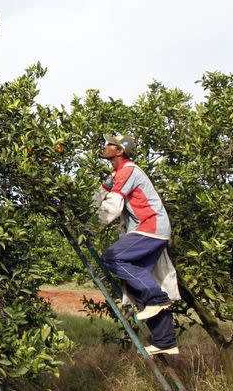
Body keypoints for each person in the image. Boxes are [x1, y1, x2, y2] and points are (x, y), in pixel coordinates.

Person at [95, 133, 180, 356]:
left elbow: (113, 204)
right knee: (138, 283)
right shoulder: (116, 174)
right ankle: (166, 341)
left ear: (120, 150)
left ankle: (158, 298)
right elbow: (101, 194)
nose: (105, 146)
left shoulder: (129, 170)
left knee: (113, 257)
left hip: (151, 228)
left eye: (109, 144)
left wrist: (89, 227)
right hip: (148, 230)